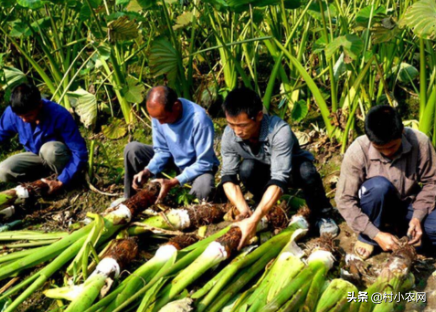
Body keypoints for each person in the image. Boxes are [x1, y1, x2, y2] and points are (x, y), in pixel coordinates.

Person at [220, 87, 338, 249]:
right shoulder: (230, 134)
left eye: (242, 125)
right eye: (231, 124)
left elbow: (279, 179)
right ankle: (264, 205)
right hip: (264, 170)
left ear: (259, 116)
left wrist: (253, 221)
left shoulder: (279, 131)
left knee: (307, 172)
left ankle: (322, 214)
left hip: (290, 170)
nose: (237, 131)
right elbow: (228, 177)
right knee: (246, 168)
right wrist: (243, 210)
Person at [336, 105, 436, 259]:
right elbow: (344, 200)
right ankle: (369, 238)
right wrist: (374, 234)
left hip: (408, 206)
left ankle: (402, 231)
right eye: (380, 149)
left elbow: (432, 183)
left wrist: (418, 217)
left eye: (392, 146)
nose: (388, 153)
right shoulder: (358, 151)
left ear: (402, 131)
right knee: (378, 187)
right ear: (370, 139)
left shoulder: (420, 143)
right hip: (374, 206)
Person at [124, 86, 219, 203]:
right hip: (173, 160)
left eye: (163, 118)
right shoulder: (159, 115)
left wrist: (174, 181)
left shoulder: (199, 120)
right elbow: (162, 150)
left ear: (176, 106)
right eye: (156, 119)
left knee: (204, 189)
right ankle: (130, 202)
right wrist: (148, 170)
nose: (160, 123)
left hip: (197, 168)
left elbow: (204, 163)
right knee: (132, 149)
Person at [0, 83, 88, 193]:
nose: (24, 120)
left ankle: (67, 181)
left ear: (39, 105)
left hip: (58, 159)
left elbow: (79, 152)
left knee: (49, 151)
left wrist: (61, 181)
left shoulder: (59, 115)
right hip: (35, 156)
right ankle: (37, 184)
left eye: (28, 115)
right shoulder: (12, 112)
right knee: (3, 170)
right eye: (20, 117)